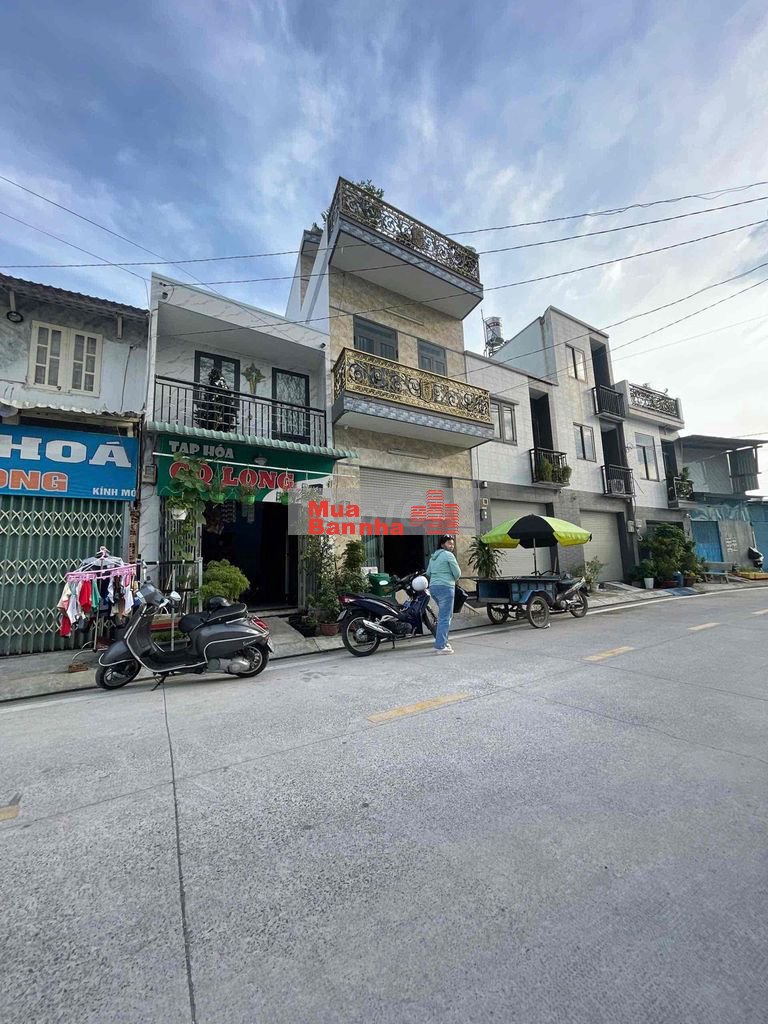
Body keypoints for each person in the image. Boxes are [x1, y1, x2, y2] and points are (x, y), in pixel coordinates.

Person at [425, 535, 461, 654]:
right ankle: (440, 646)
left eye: (453, 544)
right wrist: (451, 579)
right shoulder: (448, 555)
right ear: (442, 544)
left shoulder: (433, 557)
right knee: (445, 617)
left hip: (433, 587)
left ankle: (442, 641)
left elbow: (428, 572)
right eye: (449, 543)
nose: (452, 546)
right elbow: (457, 573)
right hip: (446, 587)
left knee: (443, 616)